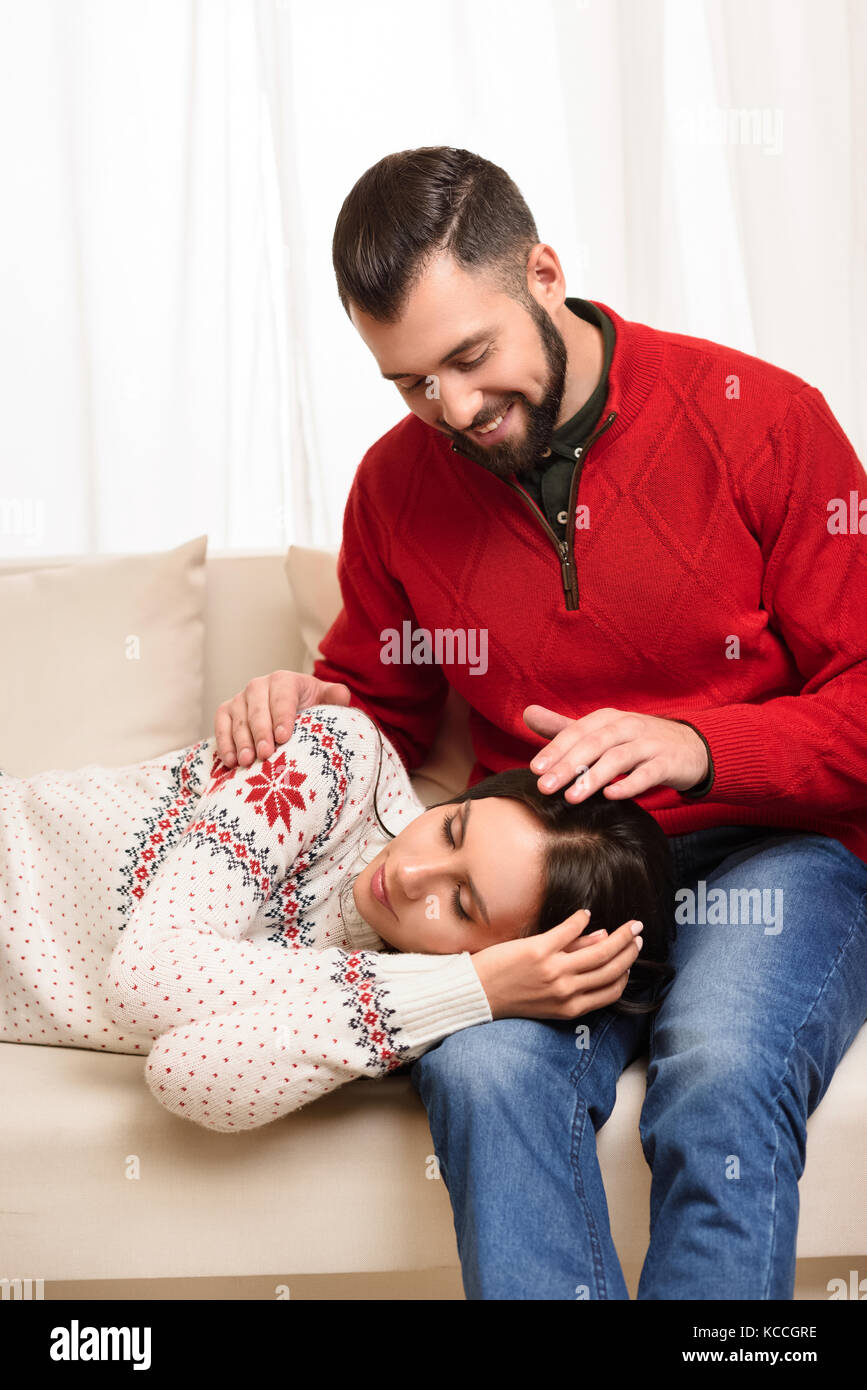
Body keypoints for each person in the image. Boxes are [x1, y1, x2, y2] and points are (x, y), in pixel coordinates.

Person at [214, 147, 867, 1299]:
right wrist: (309, 711)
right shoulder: (395, 488)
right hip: (539, 884)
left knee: (720, 1067)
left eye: (471, 357)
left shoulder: (765, 420)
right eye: (412, 383)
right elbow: (383, 712)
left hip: (772, 851)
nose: (455, 411)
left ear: (545, 275)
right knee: (483, 1072)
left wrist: (701, 747)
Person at [0, 702, 669, 1131]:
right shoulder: (340, 758)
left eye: (461, 904)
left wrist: (469, 993)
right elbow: (145, 977)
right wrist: (470, 981)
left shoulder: (425, 1003)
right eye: (451, 829)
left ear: (507, 957)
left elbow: (185, 1072)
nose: (409, 875)